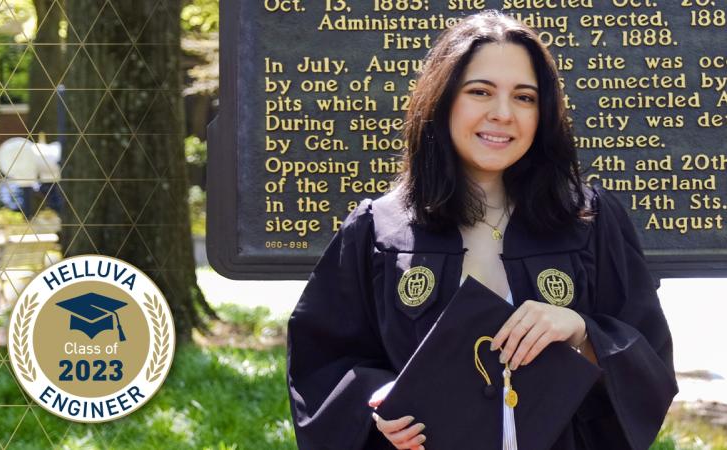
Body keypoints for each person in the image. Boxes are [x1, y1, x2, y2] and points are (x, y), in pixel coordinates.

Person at [287, 11, 677, 450]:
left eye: (525, 97)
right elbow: (322, 362)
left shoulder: (589, 219)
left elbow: (650, 359)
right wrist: (374, 400)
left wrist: (581, 330)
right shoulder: (380, 229)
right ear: (443, 99)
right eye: (480, 91)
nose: (503, 113)